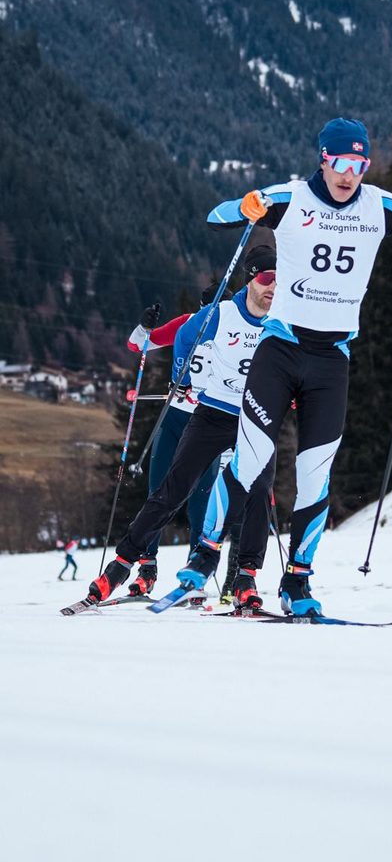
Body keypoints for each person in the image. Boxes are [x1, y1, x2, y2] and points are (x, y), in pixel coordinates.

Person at [192, 117, 392, 616]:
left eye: (359, 164)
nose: (349, 174)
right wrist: (245, 207)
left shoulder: (378, 206)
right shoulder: (293, 198)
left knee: (315, 477)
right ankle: (204, 556)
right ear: (323, 158)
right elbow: (217, 217)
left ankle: (298, 580)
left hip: (332, 358)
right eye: (340, 162)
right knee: (250, 461)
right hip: (280, 349)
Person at [85, 246, 277, 604]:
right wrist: (176, 371)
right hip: (203, 413)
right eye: (267, 279)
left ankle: (241, 576)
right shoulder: (210, 317)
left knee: (254, 492)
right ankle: (126, 565)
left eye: (278, 282)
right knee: (171, 489)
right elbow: (144, 344)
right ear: (249, 281)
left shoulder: (279, 317)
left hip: (252, 416)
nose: (273, 288)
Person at [124, 285, 233, 596]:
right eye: (205, 312)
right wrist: (144, 325)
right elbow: (139, 346)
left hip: (209, 422)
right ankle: (147, 567)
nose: (209, 318)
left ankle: (195, 571)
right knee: (158, 490)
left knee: (201, 498)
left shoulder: (237, 326)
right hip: (175, 417)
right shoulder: (188, 323)